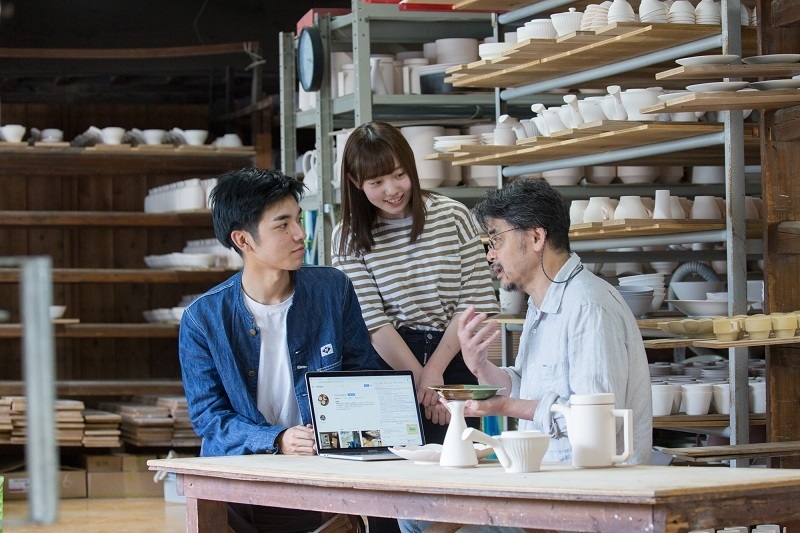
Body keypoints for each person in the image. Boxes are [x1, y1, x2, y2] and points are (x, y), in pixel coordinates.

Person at [400, 178, 652, 533]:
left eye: (496, 240)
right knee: (413, 515)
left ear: (535, 237)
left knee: (423, 523)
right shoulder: (540, 302)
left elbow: (593, 421)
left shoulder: (587, 307)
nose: (491, 255)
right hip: (544, 487)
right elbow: (525, 387)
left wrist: (503, 406)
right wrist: (480, 367)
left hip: (589, 501)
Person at [179, 167, 379, 533]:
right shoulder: (202, 319)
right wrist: (276, 439)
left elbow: (364, 375)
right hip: (238, 483)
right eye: (283, 224)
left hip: (319, 476)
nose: (300, 233)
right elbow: (209, 419)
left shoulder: (332, 290)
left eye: (298, 220)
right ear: (243, 240)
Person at [331, 121, 499, 445]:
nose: (392, 190)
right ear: (355, 181)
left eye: (399, 174)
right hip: (389, 366)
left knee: (461, 461)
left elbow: (473, 303)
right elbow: (373, 323)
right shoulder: (347, 237)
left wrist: (435, 375)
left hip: (453, 357)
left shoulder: (453, 216)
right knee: (392, 465)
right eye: (376, 182)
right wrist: (426, 385)